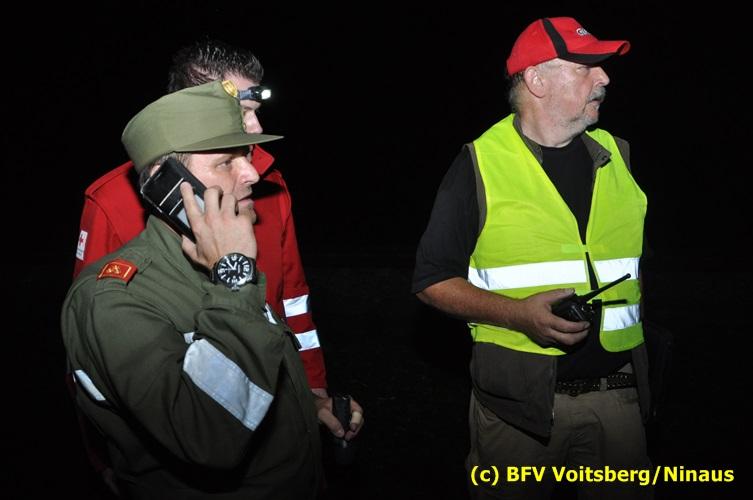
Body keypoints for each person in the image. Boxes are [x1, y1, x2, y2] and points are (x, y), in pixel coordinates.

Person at [70, 39, 363, 493]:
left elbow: (287, 307)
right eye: (228, 158)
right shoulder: (113, 280)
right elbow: (104, 371)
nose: (251, 172)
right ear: (167, 184)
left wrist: (309, 399)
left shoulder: (264, 196)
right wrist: (103, 459)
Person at [412, 17, 651, 499]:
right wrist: (517, 315)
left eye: (601, 67)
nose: (604, 77)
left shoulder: (618, 155)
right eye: (585, 67)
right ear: (537, 80)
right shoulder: (479, 164)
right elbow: (431, 280)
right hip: (518, 411)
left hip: (621, 400)